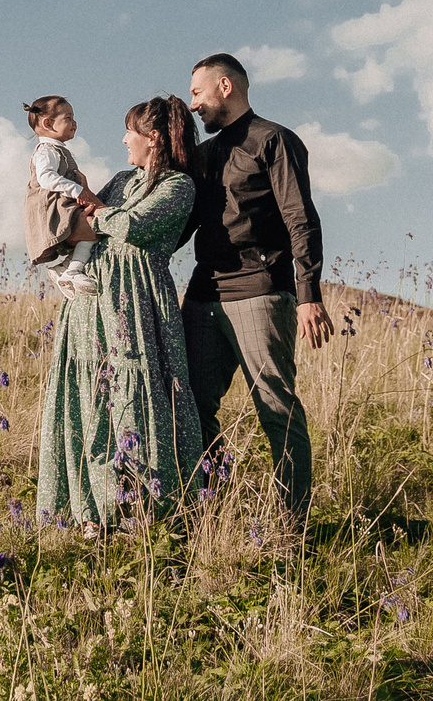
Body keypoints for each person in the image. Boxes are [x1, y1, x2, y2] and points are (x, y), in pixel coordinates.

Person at [35, 95, 205, 529]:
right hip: (91, 303)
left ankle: (142, 512)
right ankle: (87, 512)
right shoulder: (122, 181)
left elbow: (133, 225)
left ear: (153, 138)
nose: (124, 139)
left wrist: (99, 213)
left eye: (131, 132)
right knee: (89, 398)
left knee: (135, 398)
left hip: (136, 303)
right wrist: (89, 209)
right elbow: (83, 214)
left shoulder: (178, 186)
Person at [179, 51, 330, 534]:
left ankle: (291, 527)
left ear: (225, 86)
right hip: (203, 296)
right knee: (191, 407)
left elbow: (300, 218)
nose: (193, 104)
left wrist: (308, 294)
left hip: (260, 293)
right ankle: (212, 509)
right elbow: (182, 224)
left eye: (198, 92)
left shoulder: (274, 140)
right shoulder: (203, 155)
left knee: (275, 409)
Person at [21, 95, 102, 297]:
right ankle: (73, 270)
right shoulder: (46, 151)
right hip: (54, 208)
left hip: (64, 205)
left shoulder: (58, 150)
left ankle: (66, 268)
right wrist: (77, 190)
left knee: (93, 229)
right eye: (68, 118)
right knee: (94, 227)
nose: (74, 123)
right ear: (48, 123)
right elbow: (46, 178)